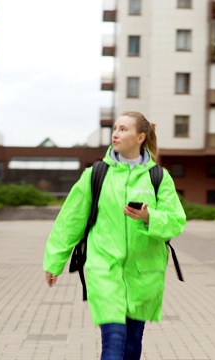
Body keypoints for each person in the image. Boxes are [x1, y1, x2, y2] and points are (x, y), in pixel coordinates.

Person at [43, 111, 187, 360]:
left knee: (132, 346)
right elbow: (70, 220)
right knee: (113, 342)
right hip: (104, 268)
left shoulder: (159, 178)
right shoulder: (96, 175)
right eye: (115, 128)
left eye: (123, 129)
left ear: (140, 137)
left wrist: (148, 217)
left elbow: (176, 221)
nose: (116, 134)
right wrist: (54, 262)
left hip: (145, 273)